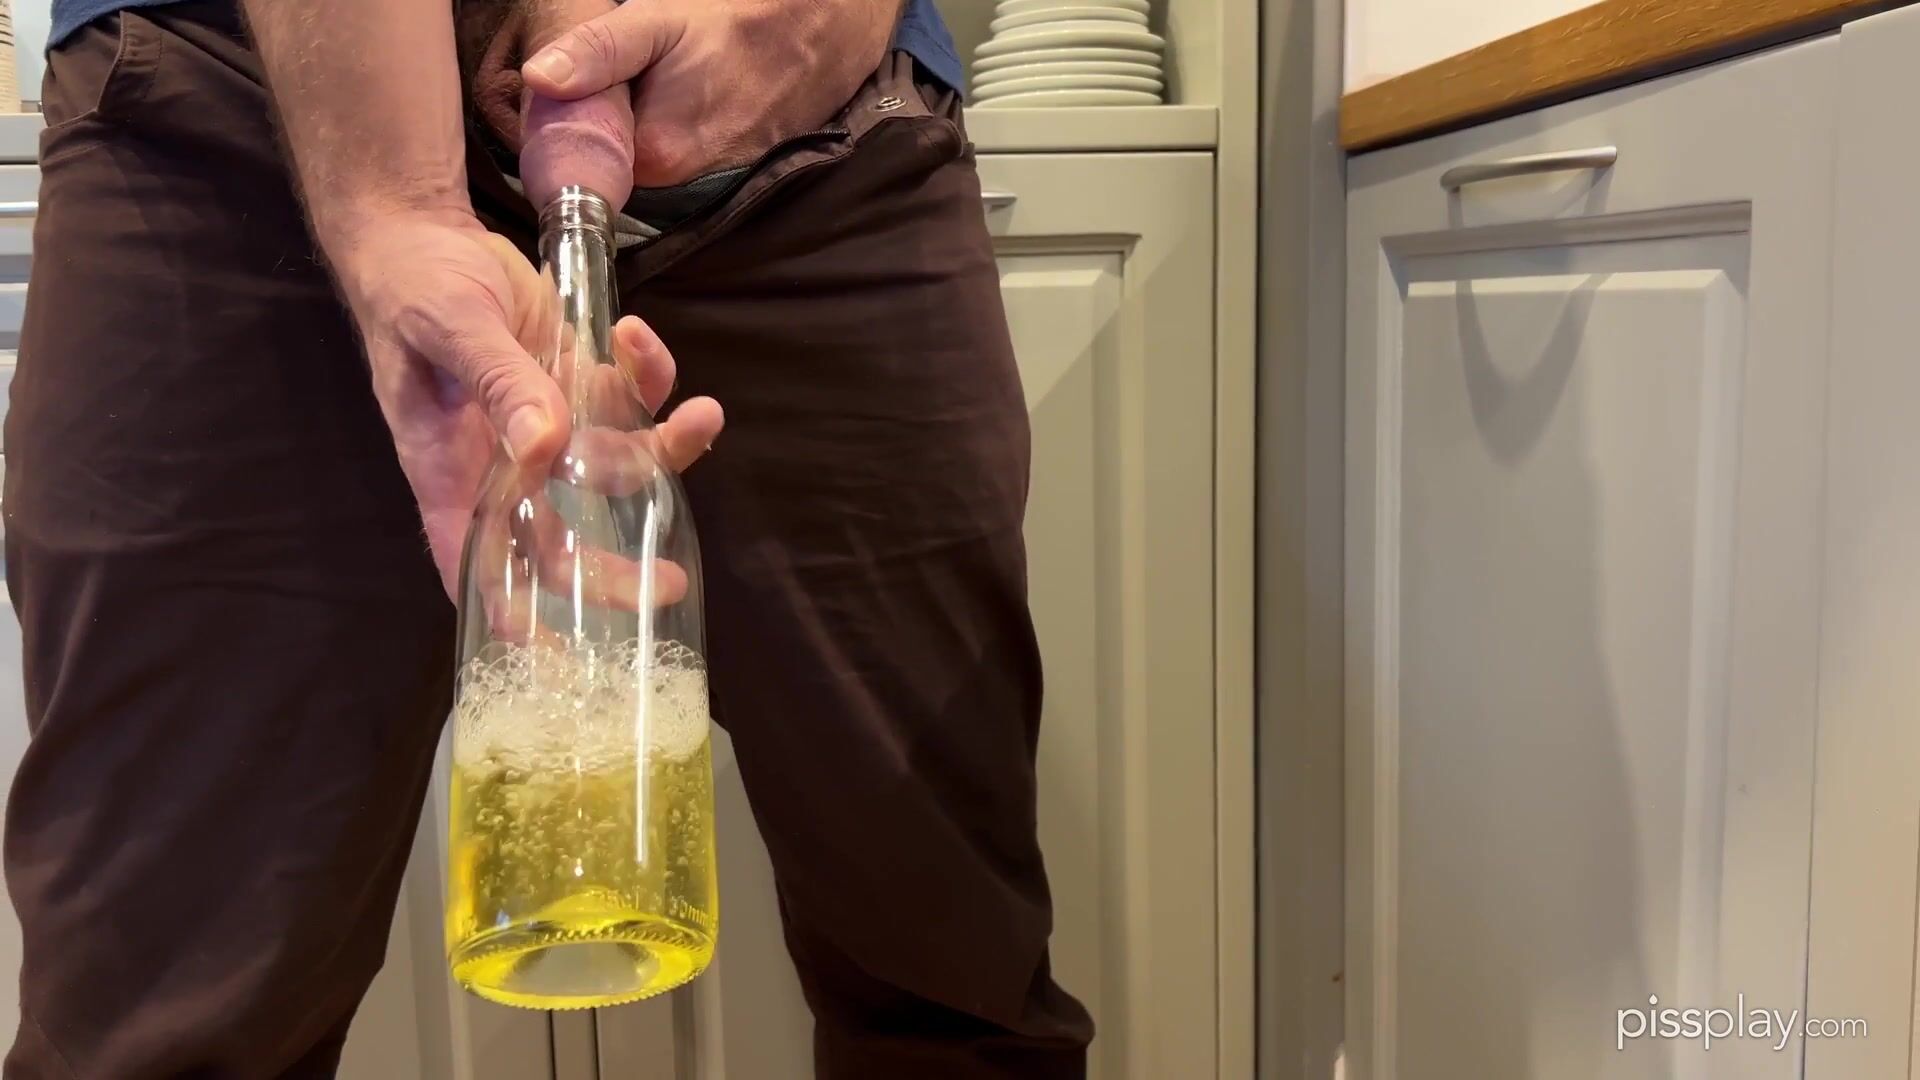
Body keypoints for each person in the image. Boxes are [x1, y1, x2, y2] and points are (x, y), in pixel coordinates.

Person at [3, 0, 1094, 1074]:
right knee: (166, 1019)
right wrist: (392, 202)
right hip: (257, 81)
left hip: (811, 140)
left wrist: (823, 17)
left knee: (948, 980)